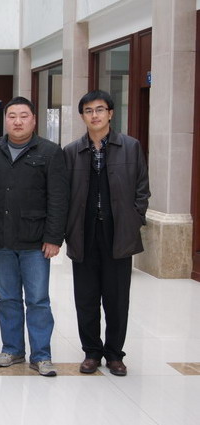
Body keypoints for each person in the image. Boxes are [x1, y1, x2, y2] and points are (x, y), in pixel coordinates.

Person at [0, 96, 69, 377]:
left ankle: (41, 355)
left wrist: (54, 237)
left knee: (38, 300)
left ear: (34, 120)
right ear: (5, 120)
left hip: (36, 241)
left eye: (23, 116)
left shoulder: (50, 152)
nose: (17, 121)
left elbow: (58, 198)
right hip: (2, 238)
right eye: (12, 116)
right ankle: (12, 349)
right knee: (7, 298)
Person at [63, 90, 150, 377]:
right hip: (84, 232)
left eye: (100, 109)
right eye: (88, 111)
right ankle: (91, 352)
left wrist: (134, 219)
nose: (95, 115)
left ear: (110, 113)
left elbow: (142, 188)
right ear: (82, 116)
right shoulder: (72, 151)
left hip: (118, 233)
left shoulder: (131, 147)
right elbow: (64, 195)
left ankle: (114, 354)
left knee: (117, 299)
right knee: (86, 298)